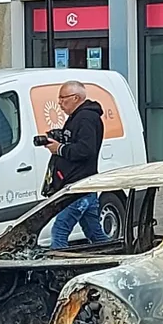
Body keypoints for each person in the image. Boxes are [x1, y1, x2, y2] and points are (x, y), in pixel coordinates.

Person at [41, 81, 110, 249]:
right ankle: (113, 257)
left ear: (76, 98)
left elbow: (86, 149)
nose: (60, 103)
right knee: (93, 231)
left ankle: (57, 269)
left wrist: (60, 149)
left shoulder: (86, 118)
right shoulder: (77, 117)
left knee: (60, 230)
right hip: (83, 185)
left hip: (79, 186)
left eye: (63, 98)